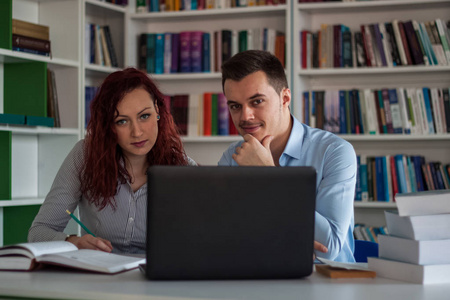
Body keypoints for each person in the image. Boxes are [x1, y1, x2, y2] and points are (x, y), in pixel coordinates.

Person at [29, 68, 196, 254]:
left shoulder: (184, 168)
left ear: (157, 110)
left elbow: (203, 240)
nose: (137, 132)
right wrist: (73, 241)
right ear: (109, 125)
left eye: (144, 116)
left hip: (158, 279)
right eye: (122, 121)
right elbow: (38, 232)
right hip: (99, 278)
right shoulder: (85, 155)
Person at [218, 50, 356, 262]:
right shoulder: (232, 157)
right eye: (235, 106)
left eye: (256, 102)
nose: (245, 116)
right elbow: (221, 238)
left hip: (326, 287)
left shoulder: (334, 152)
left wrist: (267, 176)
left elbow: (327, 249)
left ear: (285, 98)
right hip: (258, 281)